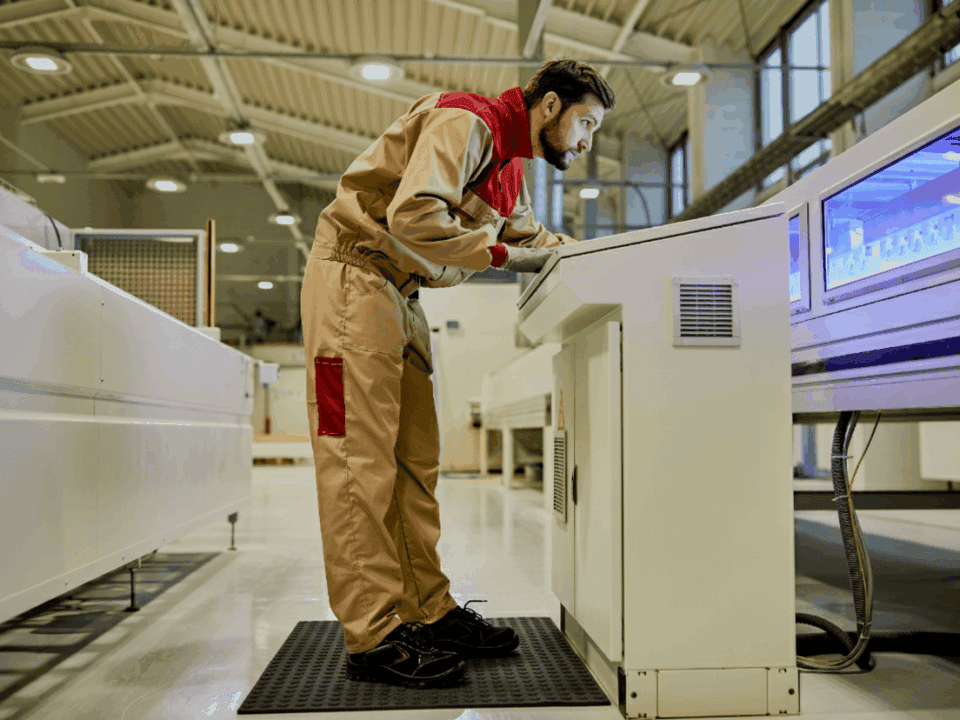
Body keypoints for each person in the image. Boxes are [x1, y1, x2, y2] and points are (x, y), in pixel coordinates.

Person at [300, 58, 615, 689]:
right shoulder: (465, 122)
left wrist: (611, 254)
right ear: (549, 106)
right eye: (585, 123)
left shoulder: (508, 168)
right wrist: (502, 254)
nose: (586, 142)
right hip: (352, 284)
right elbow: (414, 217)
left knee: (416, 463)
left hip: (403, 297)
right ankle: (373, 634)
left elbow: (533, 237)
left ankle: (427, 610)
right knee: (358, 464)